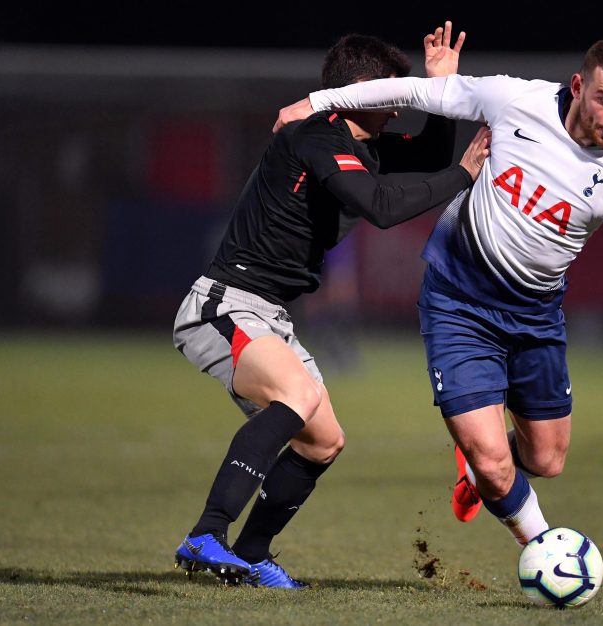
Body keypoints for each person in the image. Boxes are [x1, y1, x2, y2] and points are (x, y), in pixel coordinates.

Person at [274, 37, 603, 547]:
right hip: (458, 296)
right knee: (494, 462)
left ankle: (478, 474)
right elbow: (418, 92)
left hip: (535, 311)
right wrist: (319, 101)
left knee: (546, 460)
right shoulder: (515, 100)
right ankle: (548, 551)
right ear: (579, 86)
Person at [172, 23, 489, 587]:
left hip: (269, 313)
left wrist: (443, 93)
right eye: (388, 97)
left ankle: (250, 553)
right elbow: (383, 207)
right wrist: (463, 175)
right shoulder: (315, 135)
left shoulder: (358, 143)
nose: (395, 110)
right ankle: (206, 534)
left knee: (323, 440)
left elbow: (425, 154)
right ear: (357, 95)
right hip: (224, 302)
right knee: (296, 397)